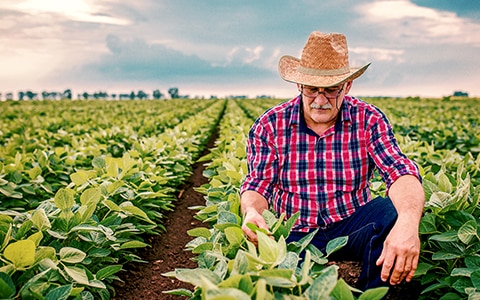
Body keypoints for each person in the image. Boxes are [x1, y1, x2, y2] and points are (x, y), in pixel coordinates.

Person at [240, 31, 425, 291]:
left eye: (331, 91)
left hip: (350, 223)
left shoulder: (368, 119)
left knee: (392, 214)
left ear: (347, 87)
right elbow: (258, 184)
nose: (320, 100)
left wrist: (407, 222)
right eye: (312, 89)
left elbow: (400, 171)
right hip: (296, 229)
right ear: (299, 86)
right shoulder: (271, 124)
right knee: (286, 278)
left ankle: (369, 294)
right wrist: (251, 212)